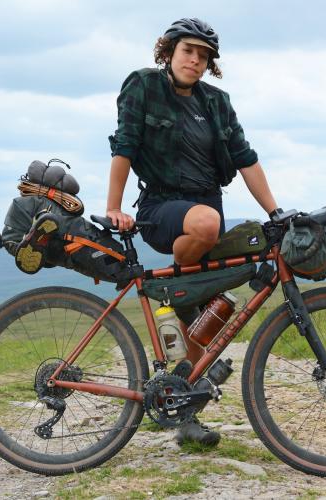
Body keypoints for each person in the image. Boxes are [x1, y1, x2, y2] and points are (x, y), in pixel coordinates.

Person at [107, 18, 280, 446]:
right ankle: (183, 290)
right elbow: (124, 147)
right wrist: (113, 206)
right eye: (188, 51)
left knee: (199, 318)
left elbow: (246, 159)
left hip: (205, 206)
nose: (195, 60)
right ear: (168, 51)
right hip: (162, 209)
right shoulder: (144, 87)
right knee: (206, 224)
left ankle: (184, 410)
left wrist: (277, 212)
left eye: (203, 56)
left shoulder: (217, 103)